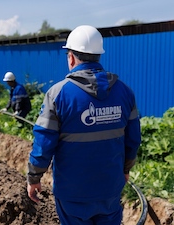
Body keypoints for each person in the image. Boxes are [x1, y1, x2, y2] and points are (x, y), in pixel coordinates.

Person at [27, 25, 141, 225]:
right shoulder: (125, 92)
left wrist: (34, 177)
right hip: (110, 188)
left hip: (72, 192)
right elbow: (133, 140)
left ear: (71, 57)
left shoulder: (58, 94)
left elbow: (44, 144)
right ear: (98, 56)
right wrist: (125, 169)